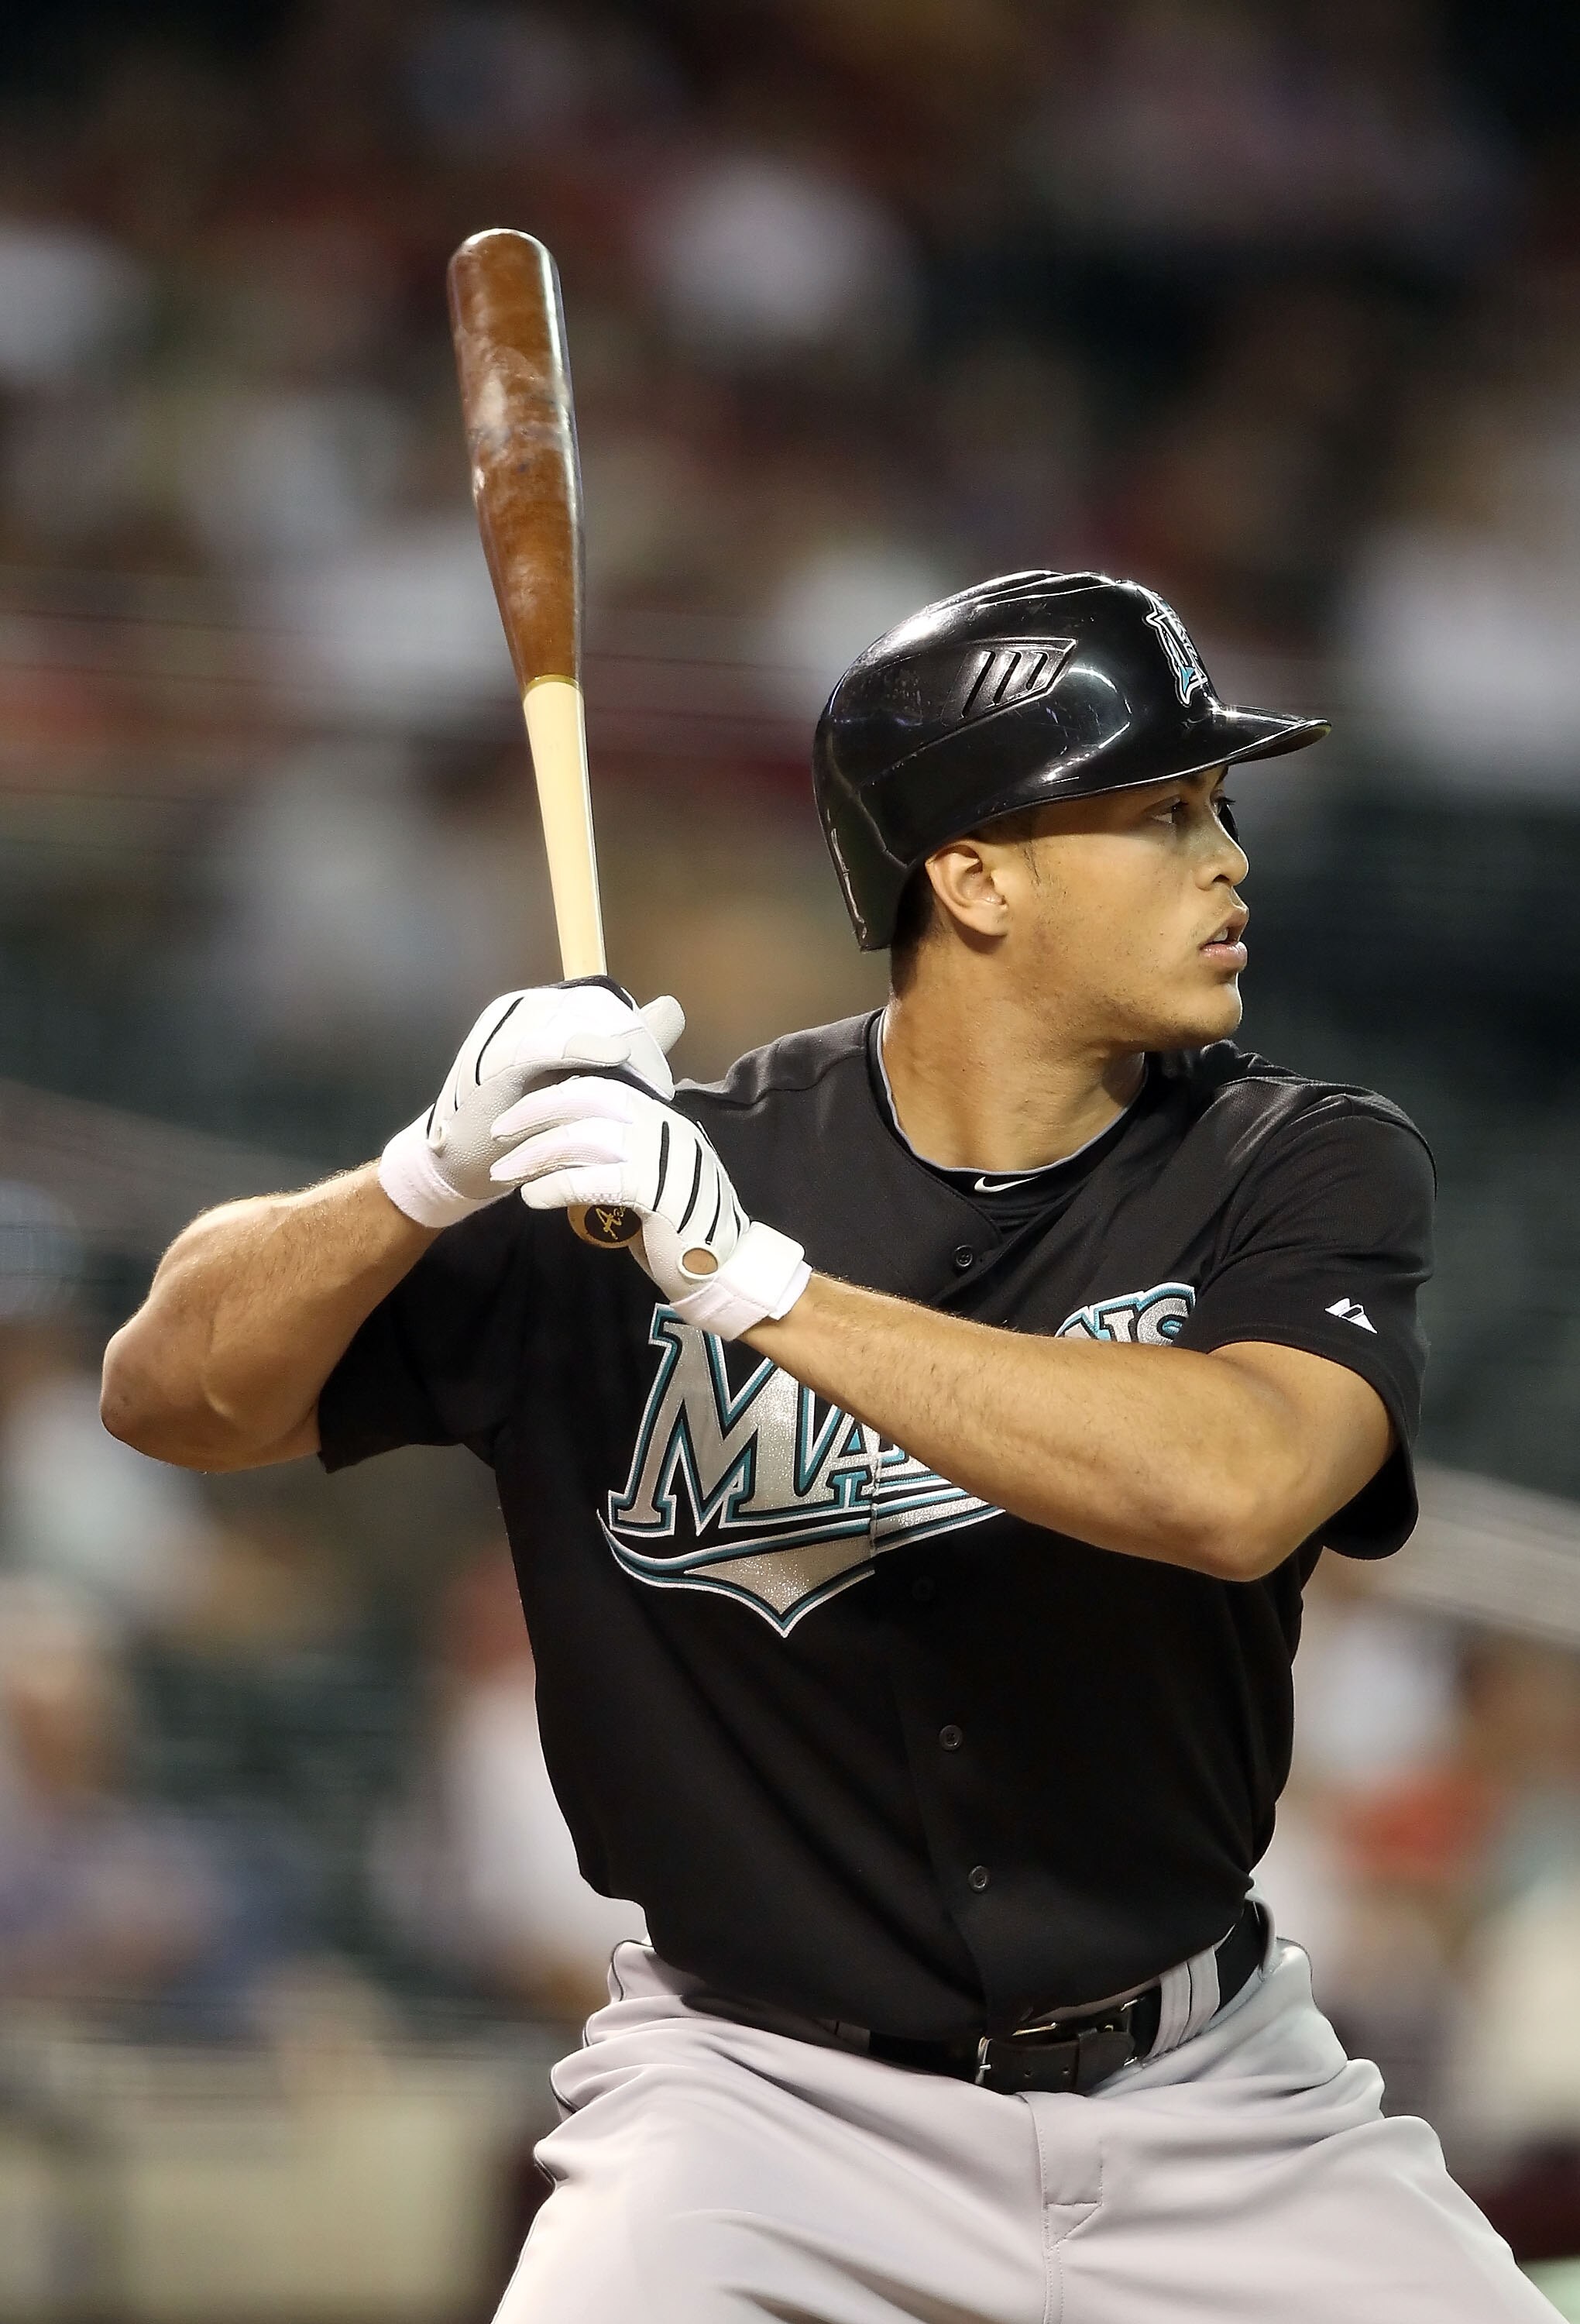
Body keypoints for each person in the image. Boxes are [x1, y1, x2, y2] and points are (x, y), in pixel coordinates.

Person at [101, 572, 1549, 2320]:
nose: (1230, 856)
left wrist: (756, 1286)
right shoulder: (642, 1181)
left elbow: (1235, 1488)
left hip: (1214, 2101)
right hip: (757, 2112)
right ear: (975, 873)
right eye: (1162, 814)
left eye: (1220, 807)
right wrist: (424, 1172)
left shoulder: (1295, 1160)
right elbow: (171, 1395)